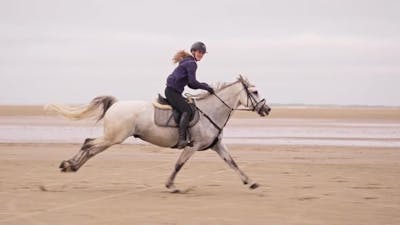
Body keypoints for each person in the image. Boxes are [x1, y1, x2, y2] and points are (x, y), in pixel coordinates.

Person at [165, 41, 214, 149]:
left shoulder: (187, 62)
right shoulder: (191, 63)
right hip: (172, 92)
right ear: (193, 51)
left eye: (203, 53)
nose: (201, 54)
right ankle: (182, 139)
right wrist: (206, 87)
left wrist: (203, 85)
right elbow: (192, 83)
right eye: (199, 52)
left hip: (173, 91)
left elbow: (191, 85)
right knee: (187, 110)